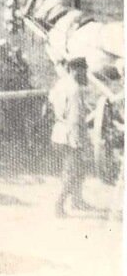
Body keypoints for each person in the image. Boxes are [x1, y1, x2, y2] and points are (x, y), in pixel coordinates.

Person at [49, 57, 94, 218]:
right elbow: (75, 118)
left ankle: (77, 200)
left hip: (59, 133)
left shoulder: (61, 84)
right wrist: (78, 140)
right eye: (84, 70)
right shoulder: (74, 89)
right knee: (72, 172)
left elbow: (51, 100)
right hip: (70, 136)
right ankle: (59, 205)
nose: (86, 74)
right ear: (76, 70)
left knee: (79, 169)